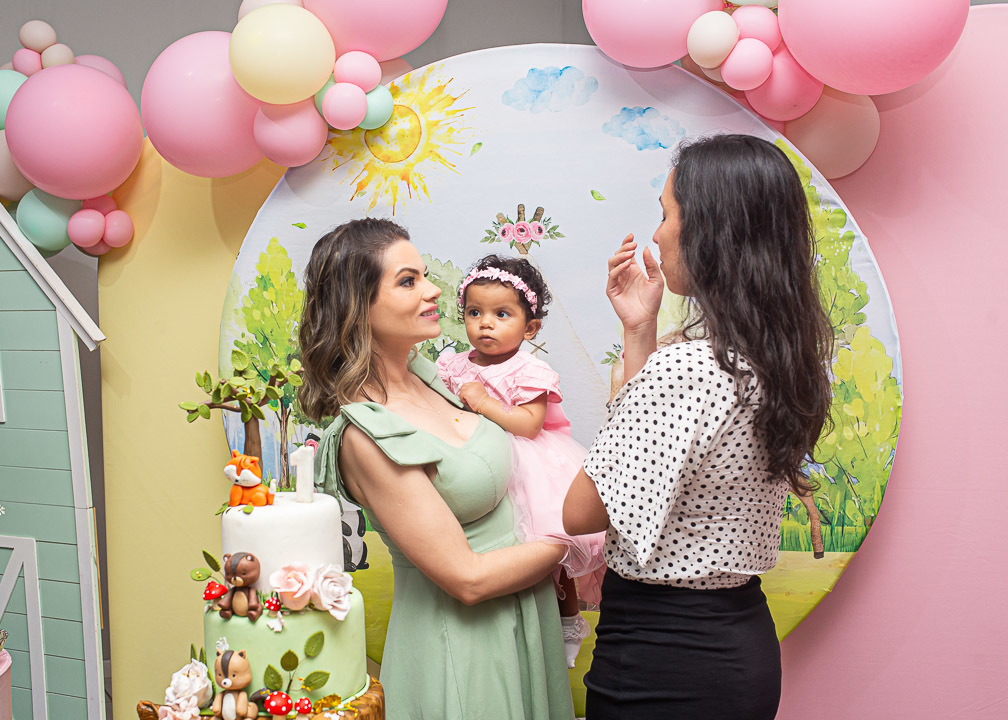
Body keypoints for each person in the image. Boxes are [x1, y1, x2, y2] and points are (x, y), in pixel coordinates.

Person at [563, 134, 834, 719]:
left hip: (665, 659)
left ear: (711, 230)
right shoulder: (777, 361)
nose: (658, 234)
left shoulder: (689, 368)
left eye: (667, 215)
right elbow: (660, 480)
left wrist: (637, 372)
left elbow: (583, 512)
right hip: (736, 643)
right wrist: (640, 331)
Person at [299, 218, 575, 720]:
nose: (432, 291)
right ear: (358, 306)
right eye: (408, 281)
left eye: (425, 275)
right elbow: (467, 579)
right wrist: (572, 539)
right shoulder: (367, 435)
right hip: (465, 652)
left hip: (524, 623)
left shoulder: (435, 376)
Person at [435, 253, 606, 669]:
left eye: (501, 314)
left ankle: (567, 621)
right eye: (474, 312)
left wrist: (482, 401)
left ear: (530, 328)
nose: (485, 324)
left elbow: (529, 425)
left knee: (548, 550)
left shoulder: (529, 370)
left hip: (529, 463)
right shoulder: (454, 365)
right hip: (475, 457)